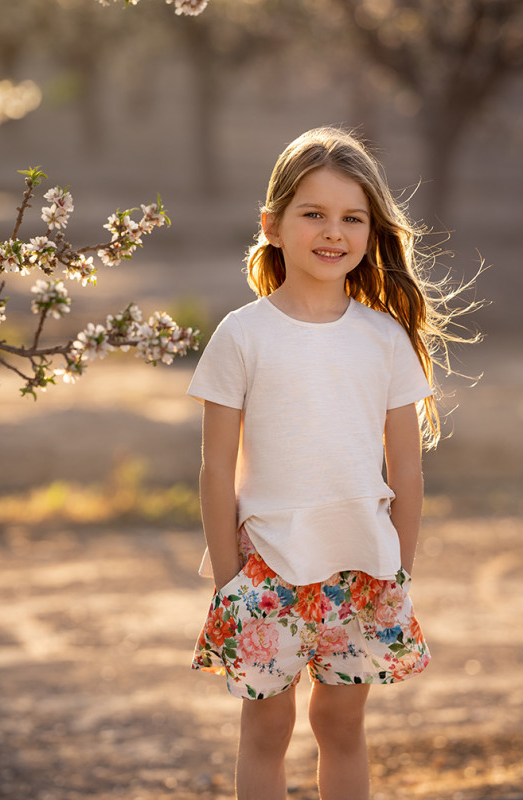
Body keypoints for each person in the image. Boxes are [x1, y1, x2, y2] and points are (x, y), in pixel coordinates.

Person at [187, 126, 474, 800]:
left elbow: (405, 471)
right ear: (272, 224)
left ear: (371, 233)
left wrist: (398, 569)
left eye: (351, 218)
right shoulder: (241, 334)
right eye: (312, 213)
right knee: (266, 730)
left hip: (363, 571)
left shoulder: (382, 338)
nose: (332, 232)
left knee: (342, 727)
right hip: (264, 569)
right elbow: (213, 470)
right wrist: (229, 581)